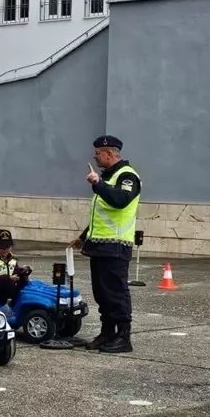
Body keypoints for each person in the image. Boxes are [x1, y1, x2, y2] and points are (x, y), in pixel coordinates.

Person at [69, 135, 141, 354]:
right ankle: (107, 332)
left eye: (98, 153)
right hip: (100, 246)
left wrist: (98, 184)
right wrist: (83, 236)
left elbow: (119, 201)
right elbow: (100, 216)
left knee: (116, 293)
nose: (94, 156)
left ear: (109, 154)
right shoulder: (109, 178)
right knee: (102, 293)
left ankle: (123, 337)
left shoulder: (127, 176)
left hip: (117, 246)